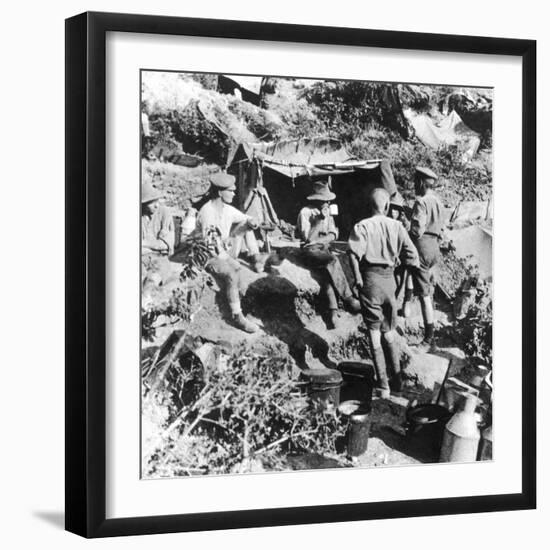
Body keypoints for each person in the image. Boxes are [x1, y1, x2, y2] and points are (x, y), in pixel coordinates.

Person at [348, 188, 419, 398]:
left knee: (374, 332)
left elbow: (352, 254)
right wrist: (401, 276)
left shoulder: (362, 226)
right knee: (389, 331)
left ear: (370, 206)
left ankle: (383, 386)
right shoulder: (397, 226)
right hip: (389, 282)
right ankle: (397, 381)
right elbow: (412, 256)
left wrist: (358, 279)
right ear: (387, 207)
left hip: (370, 280)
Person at [196, 171, 264, 333]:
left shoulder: (227, 209)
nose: (234, 193)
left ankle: (238, 304)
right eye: (231, 191)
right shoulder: (207, 212)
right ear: (220, 192)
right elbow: (210, 246)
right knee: (231, 273)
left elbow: (244, 218)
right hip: (206, 254)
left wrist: (252, 221)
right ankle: (236, 316)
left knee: (238, 267)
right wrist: (228, 259)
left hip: (221, 250)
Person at [296, 181, 360, 329]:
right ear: (316, 199)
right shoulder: (305, 212)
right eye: (325, 200)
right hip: (309, 252)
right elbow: (308, 239)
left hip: (322, 248)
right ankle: (349, 299)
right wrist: (320, 220)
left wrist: (322, 240)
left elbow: (333, 234)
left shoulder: (328, 211)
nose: (328, 202)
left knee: (328, 273)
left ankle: (333, 311)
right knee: (331, 261)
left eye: (328, 200)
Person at [405, 166, 445, 347]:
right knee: (425, 285)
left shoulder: (421, 202)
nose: (415, 185)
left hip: (422, 248)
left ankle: (429, 338)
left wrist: (407, 232)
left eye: (416, 182)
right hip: (434, 247)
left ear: (421, 183)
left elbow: (417, 230)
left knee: (424, 296)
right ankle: (406, 304)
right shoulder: (438, 201)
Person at [141, 182, 175, 257]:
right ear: (143, 205)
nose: (156, 205)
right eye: (151, 203)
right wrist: (155, 247)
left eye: (157, 201)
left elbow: (166, 245)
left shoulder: (165, 213)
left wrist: (144, 243)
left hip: (161, 259)